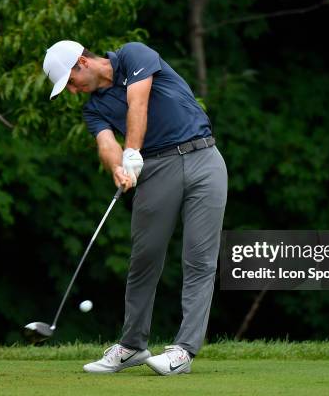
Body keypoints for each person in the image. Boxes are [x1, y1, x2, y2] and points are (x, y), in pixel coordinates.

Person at [42, 40, 227, 376]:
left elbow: (137, 103)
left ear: (83, 62)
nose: (72, 90)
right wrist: (118, 166)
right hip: (155, 169)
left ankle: (184, 351)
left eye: (71, 81)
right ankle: (132, 346)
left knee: (200, 259)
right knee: (144, 258)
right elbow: (105, 143)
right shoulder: (92, 107)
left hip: (204, 159)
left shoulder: (133, 55)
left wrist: (131, 153)